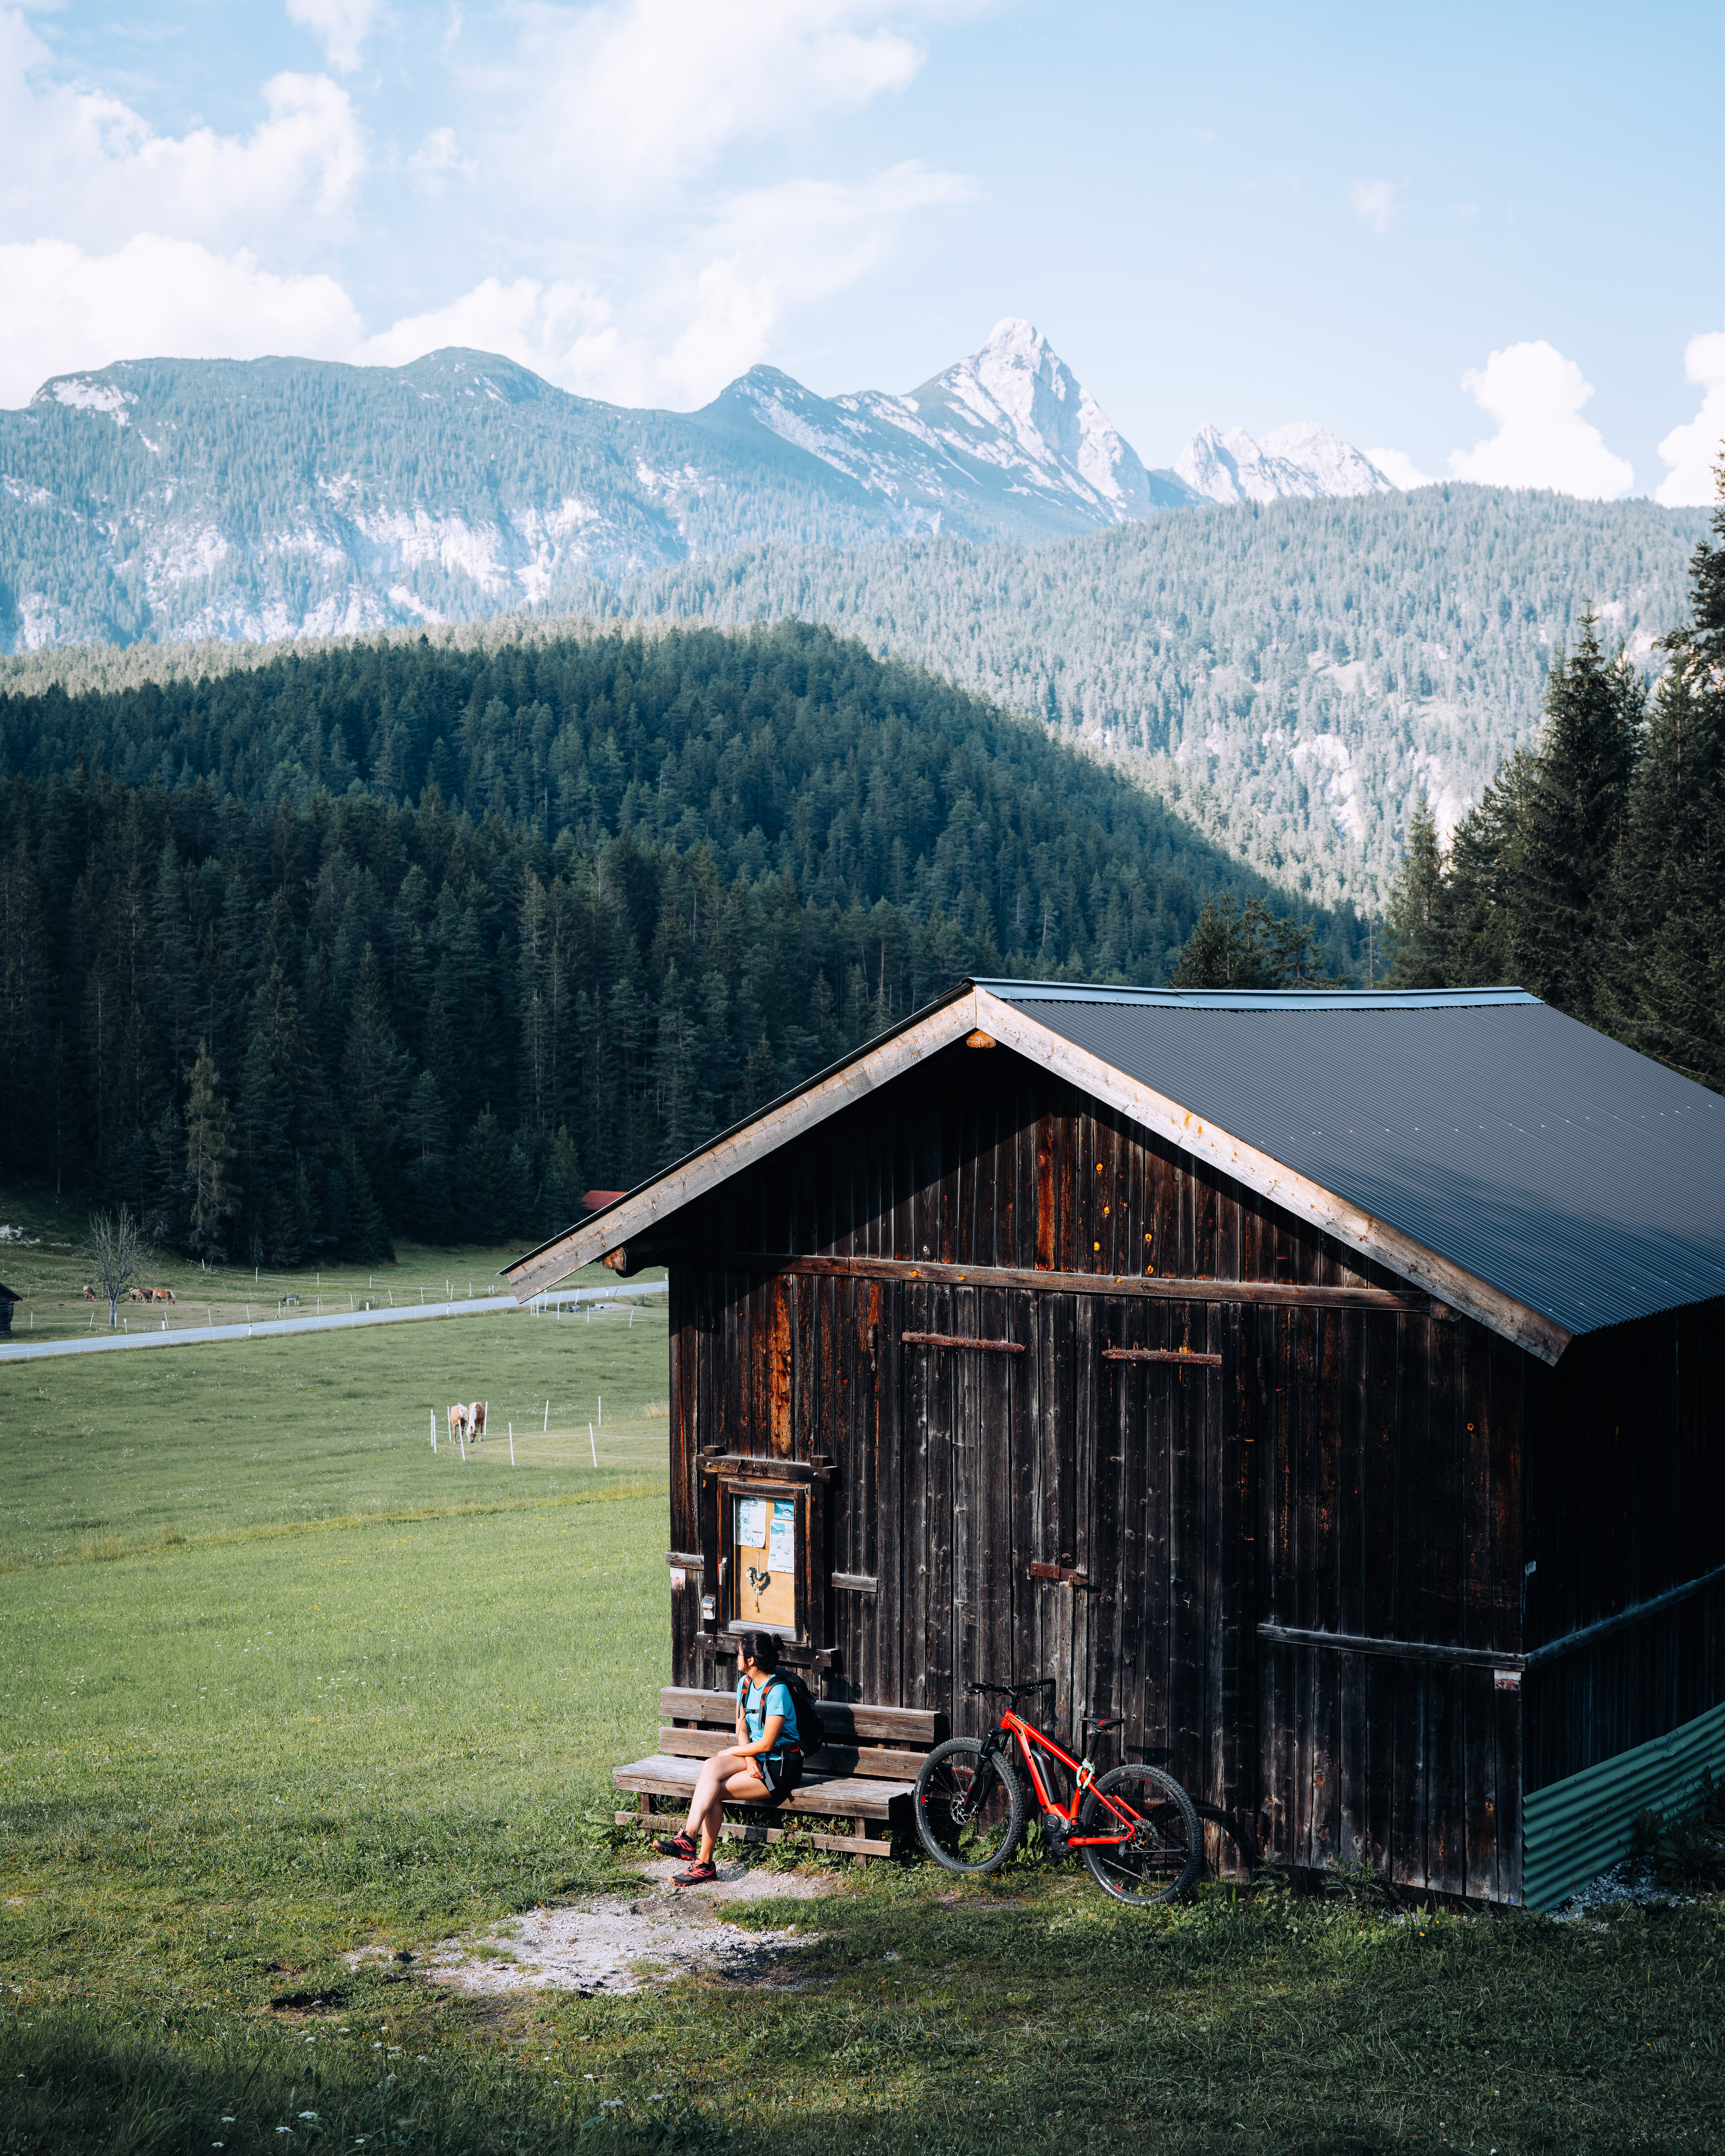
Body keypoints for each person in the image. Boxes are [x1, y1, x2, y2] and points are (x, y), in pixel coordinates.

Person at [654, 1630, 802, 1885]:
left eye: (740, 1654)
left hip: (780, 1767)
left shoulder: (779, 1692)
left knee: (714, 1790)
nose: (737, 1658)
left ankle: (704, 1864)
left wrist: (734, 1752)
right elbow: (742, 1730)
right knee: (712, 1767)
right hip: (756, 1759)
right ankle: (688, 1838)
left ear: (752, 1660)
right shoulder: (745, 1684)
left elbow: (767, 1742)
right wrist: (749, 1760)